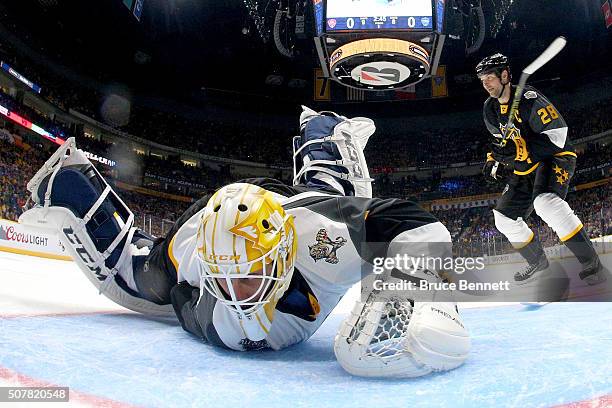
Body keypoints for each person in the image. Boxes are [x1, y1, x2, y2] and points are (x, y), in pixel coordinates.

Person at [19, 106, 470, 378]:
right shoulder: (213, 300)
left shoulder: (318, 233)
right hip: (210, 223)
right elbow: (176, 294)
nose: (238, 298)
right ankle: (69, 184)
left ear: (281, 255)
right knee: (142, 281)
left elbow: (419, 227)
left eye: (250, 278)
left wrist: (408, 293)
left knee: (336, 195)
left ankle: (324, 130)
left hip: (289, 213)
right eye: (228, 284)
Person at [476, 53, 605, 285]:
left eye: (489, 78)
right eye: (482, 80)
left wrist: (517, 153)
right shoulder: (490, 109)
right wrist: (492, 160)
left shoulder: (529, 98)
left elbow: (557, 136)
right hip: (525, 166)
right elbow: (499, 143)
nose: (485, 84)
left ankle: (592, 263)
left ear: (504, 75)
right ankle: (537, 262)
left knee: (545, 202)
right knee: (503, 218)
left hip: (554, 156)